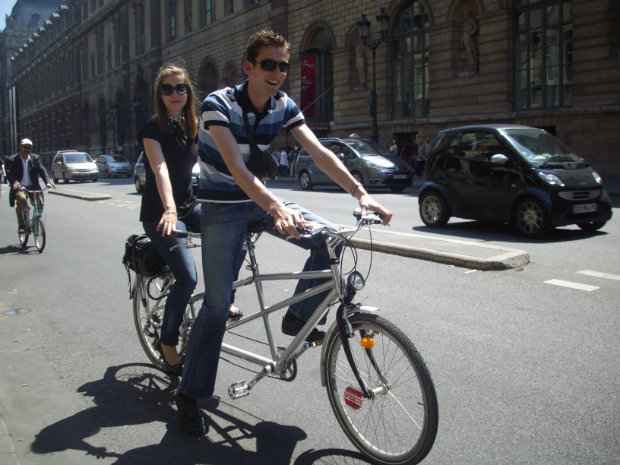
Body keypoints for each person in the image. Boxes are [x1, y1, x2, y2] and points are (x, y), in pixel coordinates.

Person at [175, 29, 392, 436]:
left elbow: (319, 152)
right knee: (218, 306)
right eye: (269, 65)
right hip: (222, 208)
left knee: (330, 238)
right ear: (249, 67)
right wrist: (275, 207)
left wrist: (362, 194)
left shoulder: (283, 105)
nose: (277, 73)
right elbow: (237, 171)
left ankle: (296, 319)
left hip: (260, 200)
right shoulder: (217, 104)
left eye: (283, 66)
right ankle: (189, 395)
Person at [139, 64, 241, 379]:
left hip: (188, 206)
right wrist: (169, 208)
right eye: (167, 88)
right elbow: (161, 170)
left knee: (233, 234)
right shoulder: (152, 128)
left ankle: (222, 300)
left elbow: (220, 158)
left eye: (180, 87)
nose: (175, 93)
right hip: (161, 214)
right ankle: (168, 342)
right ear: (160, 94)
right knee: (187, 277)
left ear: (188, 92)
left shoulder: (194, 125)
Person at [5, 138, 51, 233]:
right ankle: (22, 225)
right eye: (25, 147)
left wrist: (47, 182)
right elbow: (9, 173)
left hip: (33, 186)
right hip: (19, 187)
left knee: (40, 204)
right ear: (20, 147)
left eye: (29, 147)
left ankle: (34, 223)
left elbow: (42, 170)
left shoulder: (35, 158)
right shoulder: (12, 159)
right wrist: (14, 182)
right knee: (22, 200)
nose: (27, 149)